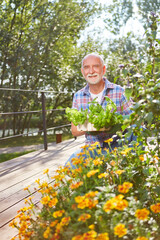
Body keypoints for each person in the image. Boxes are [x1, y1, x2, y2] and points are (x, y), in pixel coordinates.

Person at [65, 53, 136, 168]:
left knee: (138, 131)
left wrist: (114, 124)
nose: (91, 71)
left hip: (117, 145)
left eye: (95, 66)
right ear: (83, 72)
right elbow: (74, 130)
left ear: (103, 69)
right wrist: (95, 125)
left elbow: (136, 120)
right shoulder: (79, 96)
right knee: (69, 167)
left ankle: (133, 170)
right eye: (87, 67)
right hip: (92, 148)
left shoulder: (119, 91)